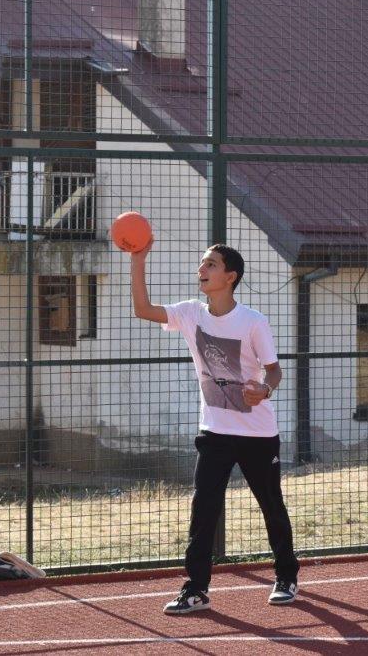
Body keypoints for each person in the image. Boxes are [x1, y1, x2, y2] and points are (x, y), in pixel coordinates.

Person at [130, 238, 299, 615]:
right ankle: (195, 589)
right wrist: (137, 260)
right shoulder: (191, 313)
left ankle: (286, 576)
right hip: (214, 433)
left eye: (211, 264)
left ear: (230, 276)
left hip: (257, 434)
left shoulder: (253, 321)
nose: (201, 269)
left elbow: (274, 370)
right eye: (202, 263)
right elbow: (142, 309)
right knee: (203, 508)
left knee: (271, 505)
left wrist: (264, 389)